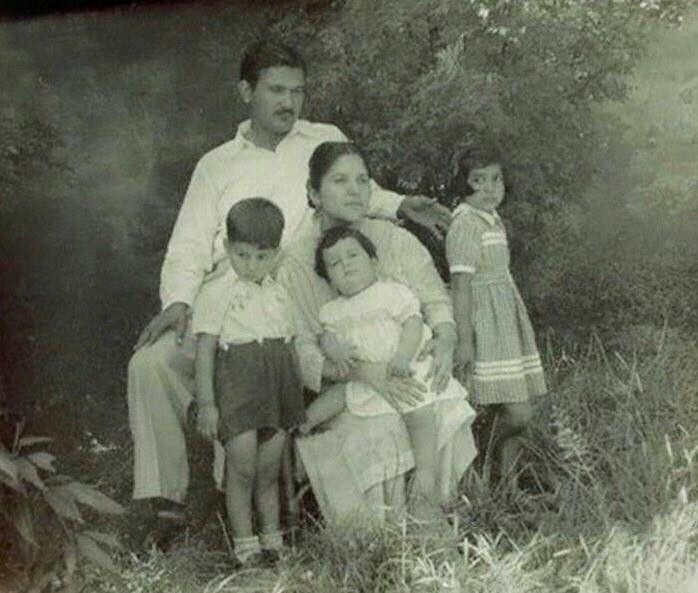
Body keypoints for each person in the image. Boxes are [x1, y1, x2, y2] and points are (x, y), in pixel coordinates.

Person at [127, 37, 450, 527]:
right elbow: (188, 246)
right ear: (246, 92)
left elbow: (350, 185)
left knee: (257, 368)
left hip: (295, 302)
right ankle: (167, 501)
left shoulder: (321, 138)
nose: (288, 102)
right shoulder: (216, 165)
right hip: (228, 300)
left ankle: (247, 496)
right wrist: (177, 301)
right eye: (276, 90)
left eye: (297, 91)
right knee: (150, 365)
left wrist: (402, 204)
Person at [276, 141, 477, 522]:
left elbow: (434, 300)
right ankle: (380, 532)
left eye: (362, 180)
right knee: (378, 427)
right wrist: (364, 372)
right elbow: (301, 349)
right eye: (340, 181)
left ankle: (431, 509)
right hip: (346, 383)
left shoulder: (394, 240)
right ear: (313, 193)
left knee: (436, 404)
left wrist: (445, 339)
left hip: (407, 364)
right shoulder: (296, 264)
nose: (355, 190)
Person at [298, 226, 475, 516]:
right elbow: (326, 338)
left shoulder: (391, 292)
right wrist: (334, 350)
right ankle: (301, 427)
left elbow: (413, 323)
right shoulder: (332, 310)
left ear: (374, 262)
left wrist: (403, 357)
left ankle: (425, 481)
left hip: (404, 368)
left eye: (353, 256)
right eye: (335, 264)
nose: (346, 265)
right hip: (365, 377)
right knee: (337, 398)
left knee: (419, 412)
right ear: (329, 279)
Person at [193, 198, 305, 566]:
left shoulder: (279, 291)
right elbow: (205, 350)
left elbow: (289, 344)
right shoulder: (217, 291)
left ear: (277, 254)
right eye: (242, 255)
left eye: (262, 256)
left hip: (276, 387)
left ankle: (273, 539)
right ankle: (245, 545)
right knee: (241, 468)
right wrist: (207, 403)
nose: (251, 265)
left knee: (268, 470)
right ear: (227, 247)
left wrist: (294, 390)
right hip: (238, 388)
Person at [446, 148, 547, 484]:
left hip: (505, 324)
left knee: (516, 407)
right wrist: (465, 341)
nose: (489, 188)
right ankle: (482, 454)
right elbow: (461, 286)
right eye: (478, 180)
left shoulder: (492, 219)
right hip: (483, 326)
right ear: (463, 184)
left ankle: (507, 485)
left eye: (496, 179)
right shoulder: (465, 223)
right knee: (518, 413)